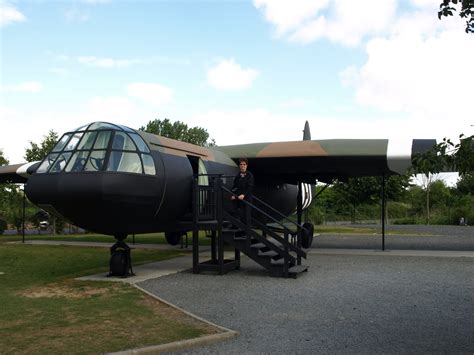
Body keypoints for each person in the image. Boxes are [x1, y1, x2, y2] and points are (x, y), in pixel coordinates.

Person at [231, 158, 254, 228]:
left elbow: (250, 187)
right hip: (239, 199)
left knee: (246, 217)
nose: (242, 166)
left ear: (246, 166)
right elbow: (234, 187)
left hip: (247, 199)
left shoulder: (249, 175)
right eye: (241, 164)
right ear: (239, 166)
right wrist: (233, 194)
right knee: (237, 214)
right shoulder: (237, 176)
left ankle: (246, 234)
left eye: (244, 164)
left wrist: (243, 195)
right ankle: (237, 230)